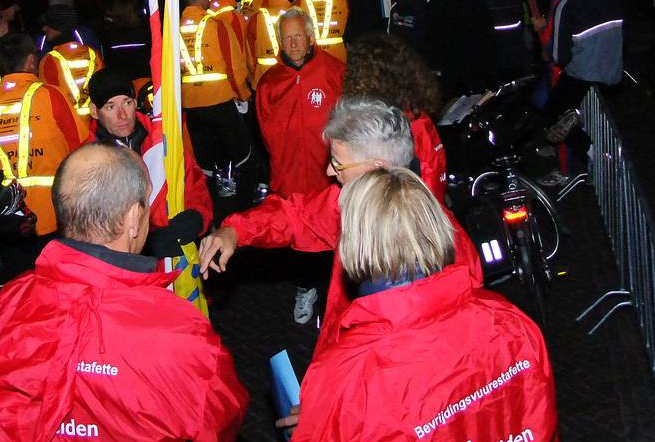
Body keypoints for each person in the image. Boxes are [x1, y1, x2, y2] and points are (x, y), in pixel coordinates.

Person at [0, 143, 248, 442]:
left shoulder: (4, 306)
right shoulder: (180, 331)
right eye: (145, 206)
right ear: (133, 217)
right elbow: (219, 428)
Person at [286, 166, 559, 442]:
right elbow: (543, 434)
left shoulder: (344, 376)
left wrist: (315, 429)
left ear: (354, 245)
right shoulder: (511, 321)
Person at [199, 97, 483, 350]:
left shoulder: (447, 250)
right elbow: (296, 215)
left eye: (338, 163)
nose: (328, 171)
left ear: (376, 169)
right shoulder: (348, 202)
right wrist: (236, 230)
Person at [0, 31, 83, 272]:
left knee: (21, 289)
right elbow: (79, 151)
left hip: (7, 222)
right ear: (30, 61)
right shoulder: (51, 96)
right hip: (56, 215)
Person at [254, 7, 345, 321]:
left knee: (338, 238)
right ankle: (305, 289)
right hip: (290, 178)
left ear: (310, 37)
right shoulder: (269, 83)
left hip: (330, 177)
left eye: (298, 36)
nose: (293, 44)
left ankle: (340, 294)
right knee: (300, 243)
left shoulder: (335, 71)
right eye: (287, 38)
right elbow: (265, 133)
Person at [85, 69, 213, 235]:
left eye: (127, 103)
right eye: (110, 107)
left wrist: (197, 217)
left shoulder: (161, 141)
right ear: (94, 111)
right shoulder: (85, 160)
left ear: (135, 102)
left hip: (174, 241)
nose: (122, 115)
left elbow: (194, 184)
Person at [540, 0, 624, 182]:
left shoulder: (567, 4)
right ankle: (579, 124)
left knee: (551, 113)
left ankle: (595, 154)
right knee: (593, 118)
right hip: (613, 72)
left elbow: (560, 56)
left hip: (584, 74)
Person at [343, 32, 448, 202]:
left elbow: (427, 185)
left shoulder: (408, 124)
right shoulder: (406, 114)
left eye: (361, 76)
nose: (357, 84)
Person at [178, 0, 254, 203]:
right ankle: (245, 203)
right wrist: (243, 95)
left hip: (191, 106)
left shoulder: (172, 30)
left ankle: (209, 203)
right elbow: (234, 66)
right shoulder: (217, 25)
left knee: (204, 160)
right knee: (241, 154)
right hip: (220, 102)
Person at [423, 0, 498, 99]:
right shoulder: (477, 1)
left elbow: (430, 41)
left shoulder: (436, 4)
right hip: (476, 73)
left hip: (449, 75)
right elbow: (489, 39)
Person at [38, 4, 103, 140]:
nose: (44, 29)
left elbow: (49, 103)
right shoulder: (93, 54)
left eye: (47, 25)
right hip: (97, 130)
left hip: (69, 133)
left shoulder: (49, 60)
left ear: (57, 27)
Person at [247, 0, 294, 87]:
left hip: (263, 78)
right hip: (292, 76)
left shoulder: (257, 18)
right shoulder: (300, 15)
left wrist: (253, 74)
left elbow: (249, 54)